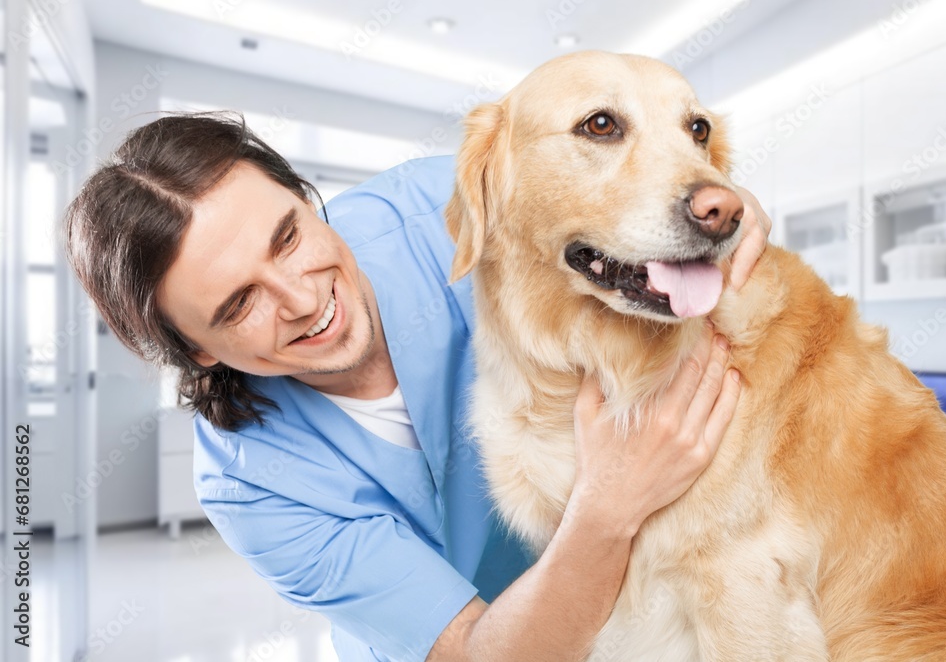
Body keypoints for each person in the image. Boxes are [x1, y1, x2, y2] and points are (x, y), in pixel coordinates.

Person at [63, 112, 771, 661]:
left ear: (306, 198)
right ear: (195, 351)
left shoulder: (455, 205)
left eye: (287, 237)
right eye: (238, 304)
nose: (303, 300)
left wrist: (699, 209)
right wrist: (610, 505)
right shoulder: (253, 485)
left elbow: (641, 211)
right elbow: (474, 649)